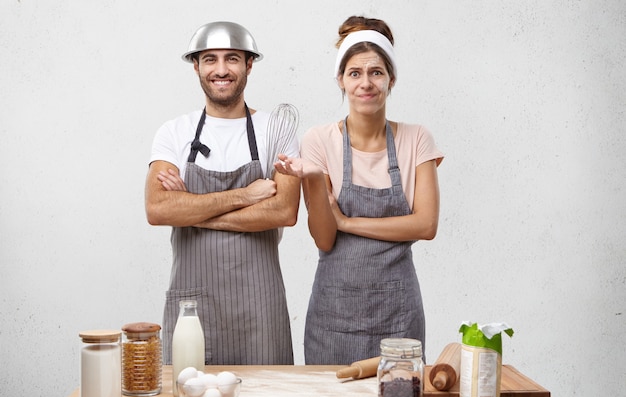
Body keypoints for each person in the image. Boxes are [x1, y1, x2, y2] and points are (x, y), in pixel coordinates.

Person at [274, 16, 443, 364]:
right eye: (355, 73)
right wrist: (315, 178)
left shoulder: (416, 139)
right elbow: (324, 238)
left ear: (391, 79)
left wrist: (348, 223)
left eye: (376, 73)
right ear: (340, 80)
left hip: (399, 315)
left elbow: (426, 225)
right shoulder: (319, 141)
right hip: (334, 318)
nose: (366, 83)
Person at [145, 21, 300, 365]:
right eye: (210, 59)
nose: (221, 70)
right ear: (196, 66)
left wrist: (192, 210)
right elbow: (158, 209)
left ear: (249, 65)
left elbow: (284, 212)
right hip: (194, 307)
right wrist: (246, 196)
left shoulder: (276, 130)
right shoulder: (174, 132)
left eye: (232, 58)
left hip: (261, 306)